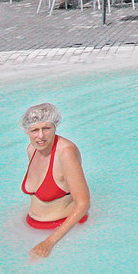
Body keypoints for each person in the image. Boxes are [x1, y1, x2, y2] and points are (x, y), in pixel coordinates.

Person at [20, 102, 90, 260]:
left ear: (55, 127)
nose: (41, 136)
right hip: (33, 229)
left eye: (46, 128)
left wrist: (49, 243)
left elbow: (83, 204)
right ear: (27, 131)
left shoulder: (66, 153)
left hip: (61, 233)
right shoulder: (32, 150)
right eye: (34, 130)